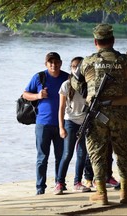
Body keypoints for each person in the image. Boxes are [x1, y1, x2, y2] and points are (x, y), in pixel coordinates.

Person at [71, 23, 127, 205]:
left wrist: (88, 93)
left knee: (96, 152)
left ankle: (101, 193)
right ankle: (125, 192)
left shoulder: (87, 61)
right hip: (121, 112)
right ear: (113, 40)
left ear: (96, 41)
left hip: (96, 113)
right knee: (123, 151)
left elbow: (75, 83)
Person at [23, 52, 69, 195]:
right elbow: (25, 94)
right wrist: (38, 95)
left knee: (61, 156)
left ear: (61, 63)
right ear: (46, 64)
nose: (53, 65)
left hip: (62, 123)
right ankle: (40, 188)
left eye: (56, 62)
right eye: (50, 62)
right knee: (42, 157)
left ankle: (59, 184)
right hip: (43, 124)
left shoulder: (67, 78)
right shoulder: (39, 77)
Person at [54, 56, 91, 195]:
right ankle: (59, 182)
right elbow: (61, 108)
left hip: (85, 122)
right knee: (67, 153)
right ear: (71, 68)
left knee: (82, 153)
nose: (77, 69)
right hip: (70, 121)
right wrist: (61, 127)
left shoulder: (88, 84)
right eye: (74, 66)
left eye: (80, 67)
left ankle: (77, 182)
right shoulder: (66, 84)